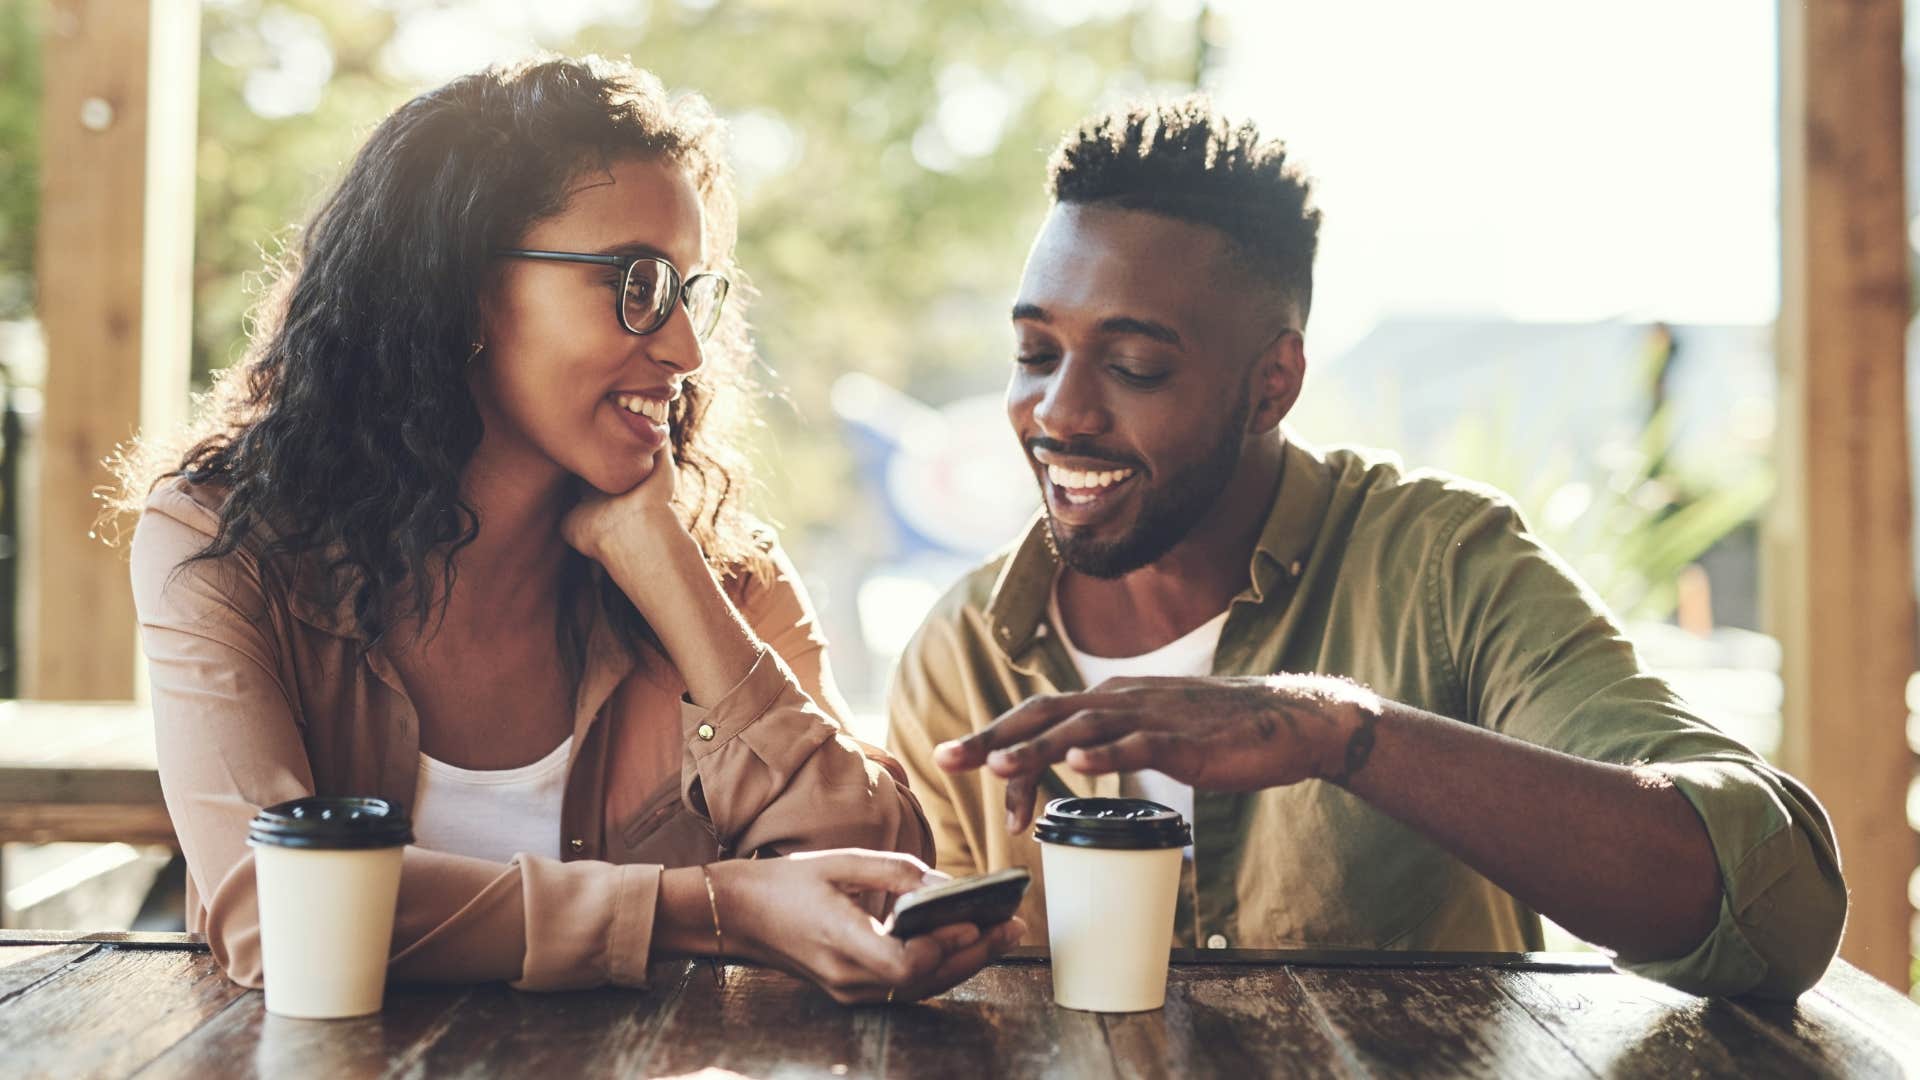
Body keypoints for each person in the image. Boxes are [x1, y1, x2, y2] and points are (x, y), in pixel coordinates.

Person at [887, 96, 1845, 1000]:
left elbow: (1781, 905)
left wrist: (1339, 735)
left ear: (1272, 385)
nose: (1059, 412)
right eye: (1035, 354)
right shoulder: (965, 654)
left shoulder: (1445, 568)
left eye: (1135, 366)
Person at [118, 56, 1019, 1004]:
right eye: (636, 282)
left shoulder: (716, 565)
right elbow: (279, 912)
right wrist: (713, 908)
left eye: (686, 291)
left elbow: (877, 872)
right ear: (462, 291)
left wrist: (662, 565)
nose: (685, 348)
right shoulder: (225, 543)